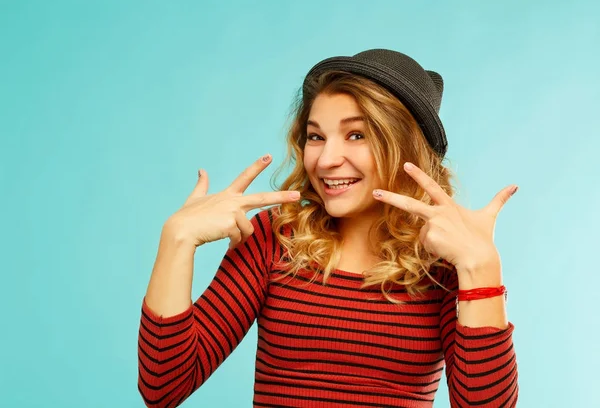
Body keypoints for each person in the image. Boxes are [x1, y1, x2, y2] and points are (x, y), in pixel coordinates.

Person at [137, 49, 519, 407]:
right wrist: (176, 239)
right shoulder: (275, 237)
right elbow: (164, 386)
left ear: (406, 148)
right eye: (316, 136)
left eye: (357, 135)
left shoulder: (443, 263)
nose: (326, 160)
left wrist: (481, 266)